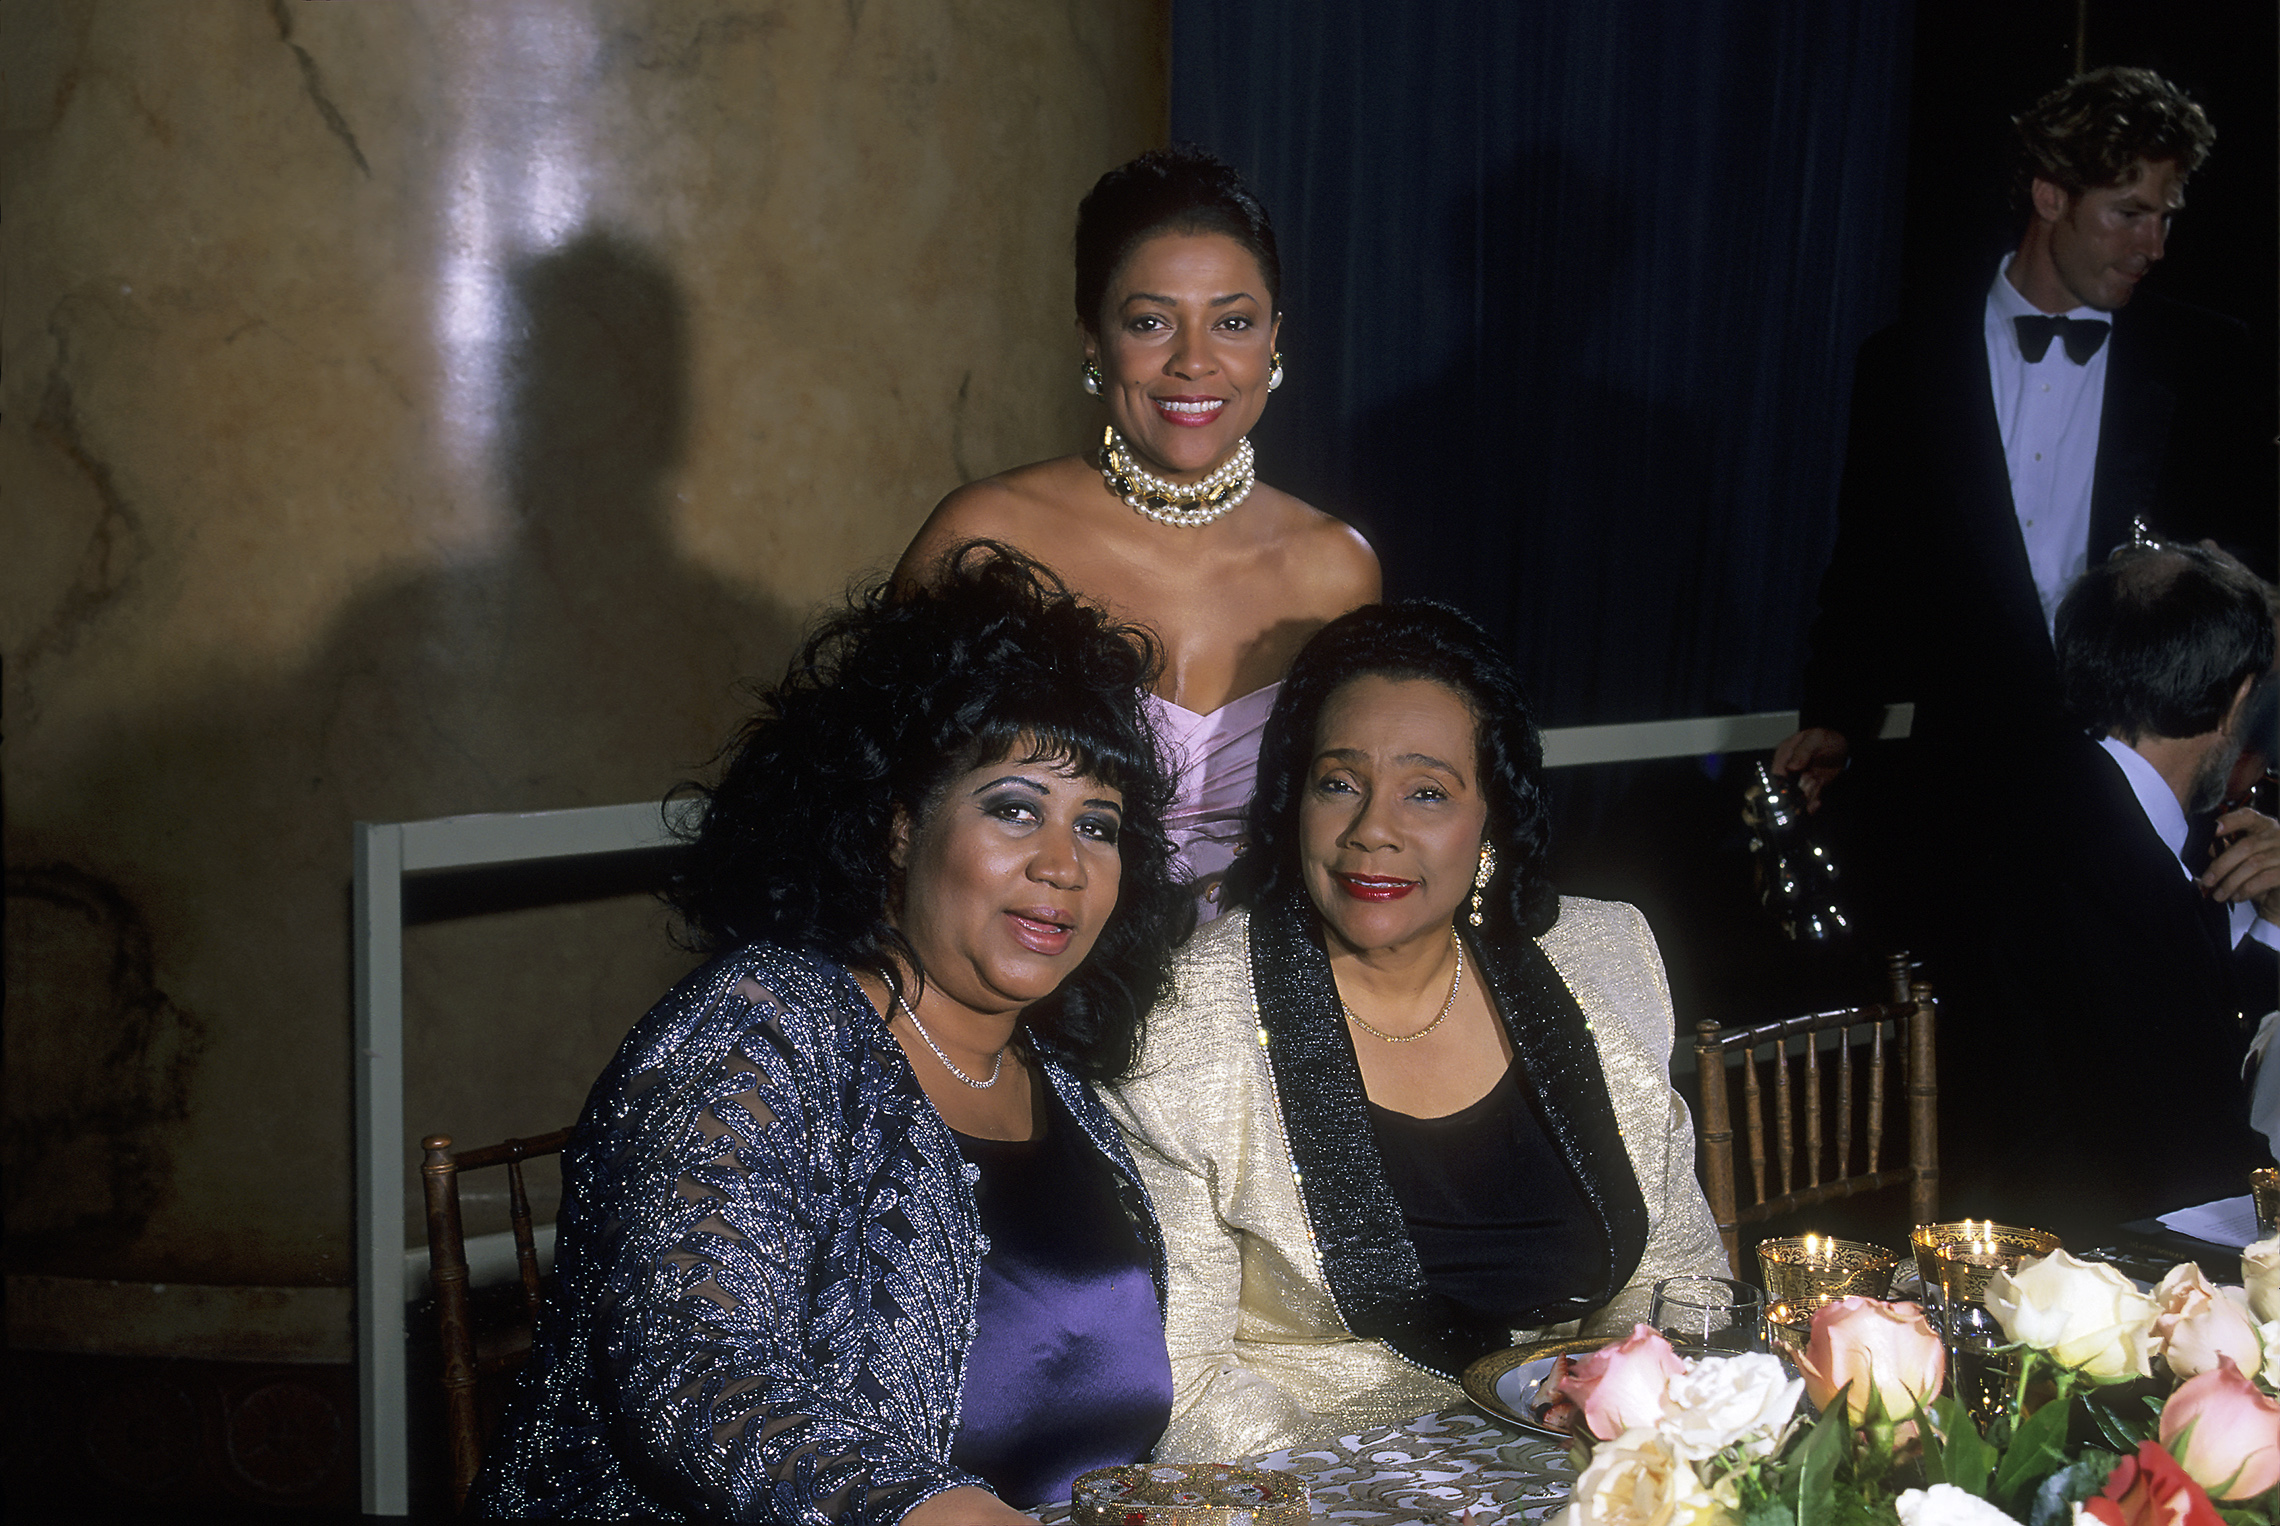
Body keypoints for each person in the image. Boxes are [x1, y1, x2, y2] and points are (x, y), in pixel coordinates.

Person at [472, 547, 1194, 1523]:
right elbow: (697, 1369)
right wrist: (920, 1507)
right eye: (1016, 808)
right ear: (901, 824)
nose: (1062, 864)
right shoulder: (764, 1031)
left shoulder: (1071, 1089)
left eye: (1097, 825)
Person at [1104, 601, 1726, 1461]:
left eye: (1426, 791)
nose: (1373, 831)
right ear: (1294, 801)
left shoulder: (1601, 954)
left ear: (1490, 822)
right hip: (1324, 1489)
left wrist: (1619, 1451)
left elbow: (1676, 1278)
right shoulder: (1179, 1022)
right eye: (1339, 782)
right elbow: (1187, 1384)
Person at [1774, 66, 2274, 818]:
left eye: (2166, 217)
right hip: (1964, 786)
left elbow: (2254, 572)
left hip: (2149, 788)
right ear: (2051, 197)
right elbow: (1868, 575)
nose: (2155, 245)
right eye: (2130, 214)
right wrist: (1834, 720)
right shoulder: (1907, 363)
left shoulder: (2210, 362)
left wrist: (2249, 744)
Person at [897, 145, 1379, 916]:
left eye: (1233, 322)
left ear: (1274, 340)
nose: (1195, 361)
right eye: (1152, 322)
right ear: (1093, 338)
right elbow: (882, 807)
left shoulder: (1338, 568)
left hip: (1261, 986)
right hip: (1036, 980)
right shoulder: (987, 536)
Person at [1941, 542, 2278, 1236]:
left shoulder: (2072, 798)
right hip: (2078, 1251)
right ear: (2237, 699)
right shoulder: (2105, 858)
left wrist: (2272, 923)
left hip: (2102, 1201)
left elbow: (2189, 1039)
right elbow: (2198, 1125)